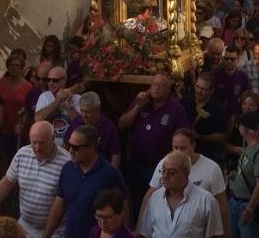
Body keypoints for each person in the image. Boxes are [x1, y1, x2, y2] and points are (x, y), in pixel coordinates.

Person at [117, 72, 189, 223]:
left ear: (168, 89)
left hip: (160, 167)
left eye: (161, 86)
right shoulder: (140, 103)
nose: (156, 89)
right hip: (137, 164)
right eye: (154, 85)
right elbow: (122, 125)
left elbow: (182, 137)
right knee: (135, 202)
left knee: (156, 203)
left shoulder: (176, 109)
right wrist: (137, 107)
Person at [0, 55, 33, 174]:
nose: (14, 68)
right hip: (2, 126)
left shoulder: (28, 86)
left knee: (17, 156)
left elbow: (29, 107)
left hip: (19, 127)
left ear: (22, 68)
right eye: (11, 65)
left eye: (17, 66)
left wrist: (23, 122)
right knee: (2, 156)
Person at [179, 72, 228, 165]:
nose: (198, 91)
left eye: (203, 89)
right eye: (197, 87)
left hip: (207, 156)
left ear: (211, 91)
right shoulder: (184, 102)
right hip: (184, 154)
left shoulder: (218, 108)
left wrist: (200, 137)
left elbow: (222, 135)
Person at [63, 92, 121, 168]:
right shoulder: (77, 121)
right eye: (82, 111)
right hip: (77, 167)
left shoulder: (109, 127)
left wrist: (112, 174)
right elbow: (66, 144)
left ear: (98, 110)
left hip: (100, 169)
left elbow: (116, 154)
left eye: (87, 112)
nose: (84, 115)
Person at [34, 67, 79, 146]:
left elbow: (80, 125)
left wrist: (69, 107)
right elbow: (38, 119)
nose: (51, 83)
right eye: (49, 80)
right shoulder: (44, 96)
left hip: (69, 148)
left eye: (55, 80)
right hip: (48, 147)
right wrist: (57, 102)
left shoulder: (77, 98)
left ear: (64, 81)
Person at [211, 46, 251, 117]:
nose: (229, 61)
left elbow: (245, 98)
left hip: (235, 115)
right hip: (216, 114)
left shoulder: (243, 77)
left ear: (238, 59)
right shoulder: (216, 75)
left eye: (232, 59)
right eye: (226, 59)